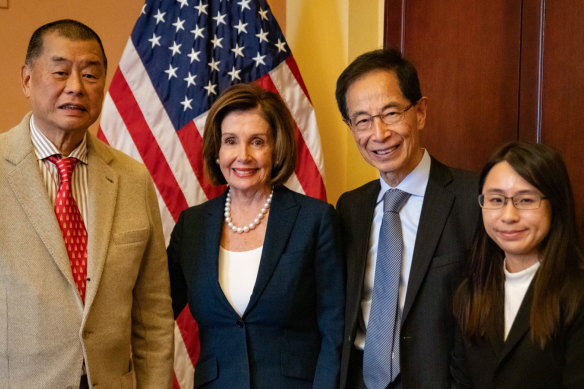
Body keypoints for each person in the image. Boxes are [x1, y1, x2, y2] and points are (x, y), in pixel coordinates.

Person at [0, 20, 174, 388]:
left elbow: (153, 316)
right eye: (60, 72)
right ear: (27, 79)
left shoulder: (133, 179)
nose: (76, 87)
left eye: (91, 74)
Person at [167, 83, 345, 388]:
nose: (243, 155)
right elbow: (156, 310)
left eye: (257, 141)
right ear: (217, 149)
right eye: (231, 141)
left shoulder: (315, 220)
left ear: (276, 149)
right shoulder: (192, 225)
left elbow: (335, 331)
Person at [335, 48, 479, 389]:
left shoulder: (473, 199)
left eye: (391, 113)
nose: (379, 133)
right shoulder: (349, 209)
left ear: (421, 112)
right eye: (363, 120)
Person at [451, 142, 584, 388]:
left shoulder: (576, 294)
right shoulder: (470, 293)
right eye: (496, 199)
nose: (509, 215)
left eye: (525, 199)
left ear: (555, 204)